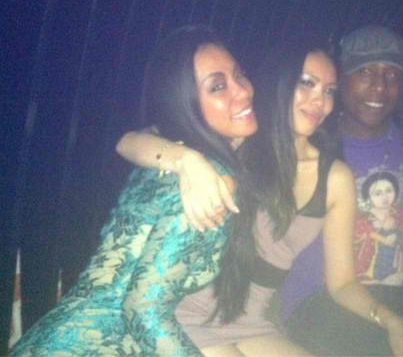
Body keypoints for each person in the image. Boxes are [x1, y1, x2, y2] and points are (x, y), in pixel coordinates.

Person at [116, 34, 403, 356]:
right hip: (185, 316)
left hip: (252, 322)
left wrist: (394, 323)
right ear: (280, 82)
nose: (319, 101)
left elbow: (343, 284)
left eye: (329, 91)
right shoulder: (240, 139)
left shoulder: (335, 178)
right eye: (306, 83)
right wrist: (186, 161)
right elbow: (129, 141)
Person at [10, 25, 259, 356]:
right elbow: (143, 312)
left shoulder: (170, 156)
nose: (242, 91)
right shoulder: (209, 182)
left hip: (54, 337)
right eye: (218, 86)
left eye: (239, 75)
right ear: (185, 104)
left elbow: (129, 139)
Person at [278, 26, 403, 356]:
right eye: (364, 72)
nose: (379, 86)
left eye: (392, 75)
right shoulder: (315, 145)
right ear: (340, 80)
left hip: (398, 301)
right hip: (320, 301)